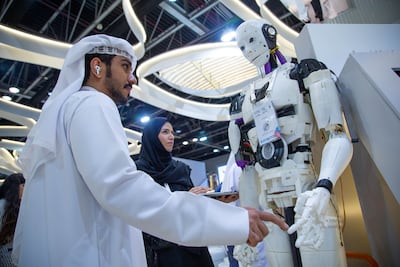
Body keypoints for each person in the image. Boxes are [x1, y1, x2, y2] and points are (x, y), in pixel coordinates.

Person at [12, 34, 289, 267]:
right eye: (124, 67)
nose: (132, 79)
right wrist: (234, 222)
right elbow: (122, 189)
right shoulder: (92, 104)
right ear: (97, 67)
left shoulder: (65, 113)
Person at [229, 19, 353, 266]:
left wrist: (324, 186)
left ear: (269, 35)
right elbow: (247, 167)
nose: (248, 50)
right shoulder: (240, 102)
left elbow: (337, 135)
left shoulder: (303, 73)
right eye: (241, 47)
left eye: (252, 40)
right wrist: (248, 220)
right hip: (269, 200)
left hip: (307, 192)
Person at [135, 117, 214, 267]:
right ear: (152, 137)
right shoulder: (138, 171)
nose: (171, 137)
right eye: (165, 132)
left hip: (191, 247)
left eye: (172, 132)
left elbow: (191, 206)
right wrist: (185, 198)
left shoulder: (181, 169)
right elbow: (142, 211)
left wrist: (203, 198)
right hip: (160, 251)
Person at [0, 173, 25, 266]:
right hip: (5, 256)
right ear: (15, 187)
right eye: (23, 185)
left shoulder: (22, 207)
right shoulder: (2, 206)